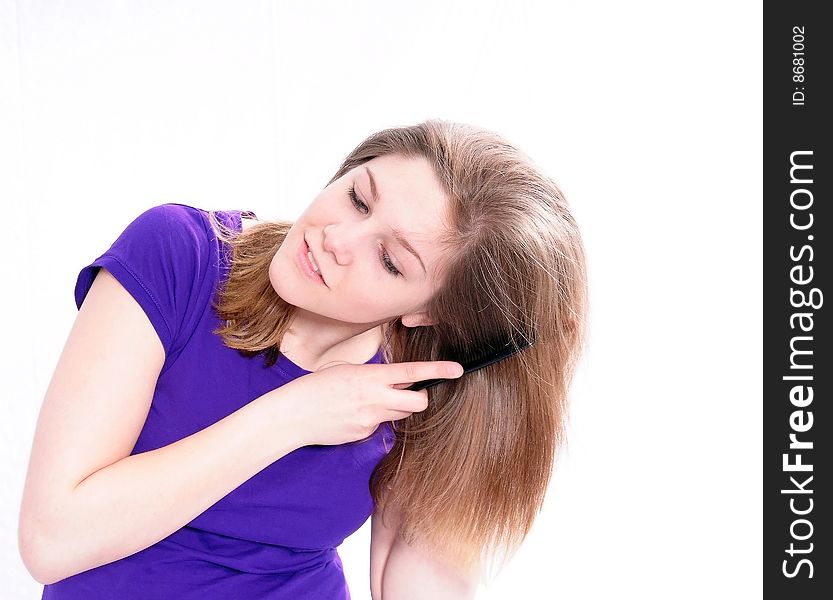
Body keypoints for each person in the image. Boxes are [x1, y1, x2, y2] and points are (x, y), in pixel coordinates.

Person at [18, 119, 588, 599]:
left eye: (389, 260)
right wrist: (291, 416)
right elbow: (52, 540)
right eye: (357, 197)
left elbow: (420, 585)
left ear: (427, 312)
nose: (337, 238)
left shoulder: (411, 384)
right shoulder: (178, 256)